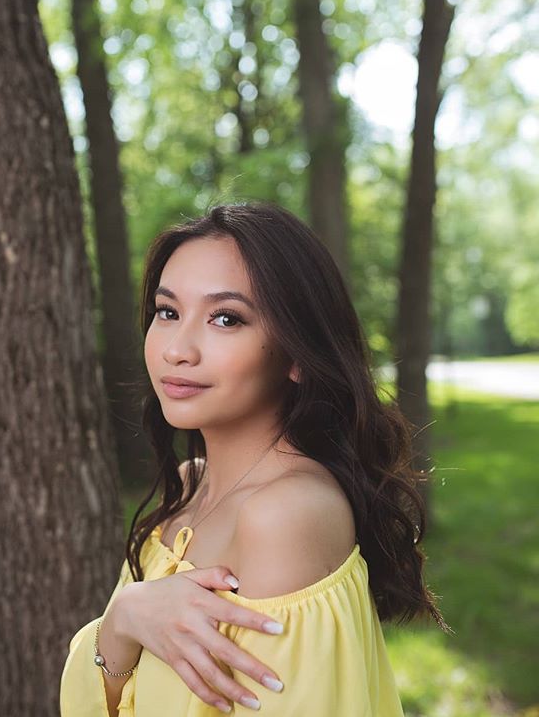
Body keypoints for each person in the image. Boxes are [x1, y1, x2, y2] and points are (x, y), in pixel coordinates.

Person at [60, 200, 450, 716]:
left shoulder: (285, 515)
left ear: (296, 355)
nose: (178, 348)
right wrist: (124, 619)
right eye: (168, 311)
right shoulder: (189, 485)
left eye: (226, 318)